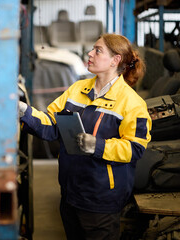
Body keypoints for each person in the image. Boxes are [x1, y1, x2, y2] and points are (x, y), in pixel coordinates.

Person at [19, 33, 152, 240]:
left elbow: (135, 148)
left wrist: (97, 146)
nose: (90, 53)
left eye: (98, 50)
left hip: (101, 201)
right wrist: (23, 111)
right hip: (70, 193)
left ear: (115, 60)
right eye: (92, 49)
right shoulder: (77, 89)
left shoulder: (132, 104)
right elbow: (51, 123)